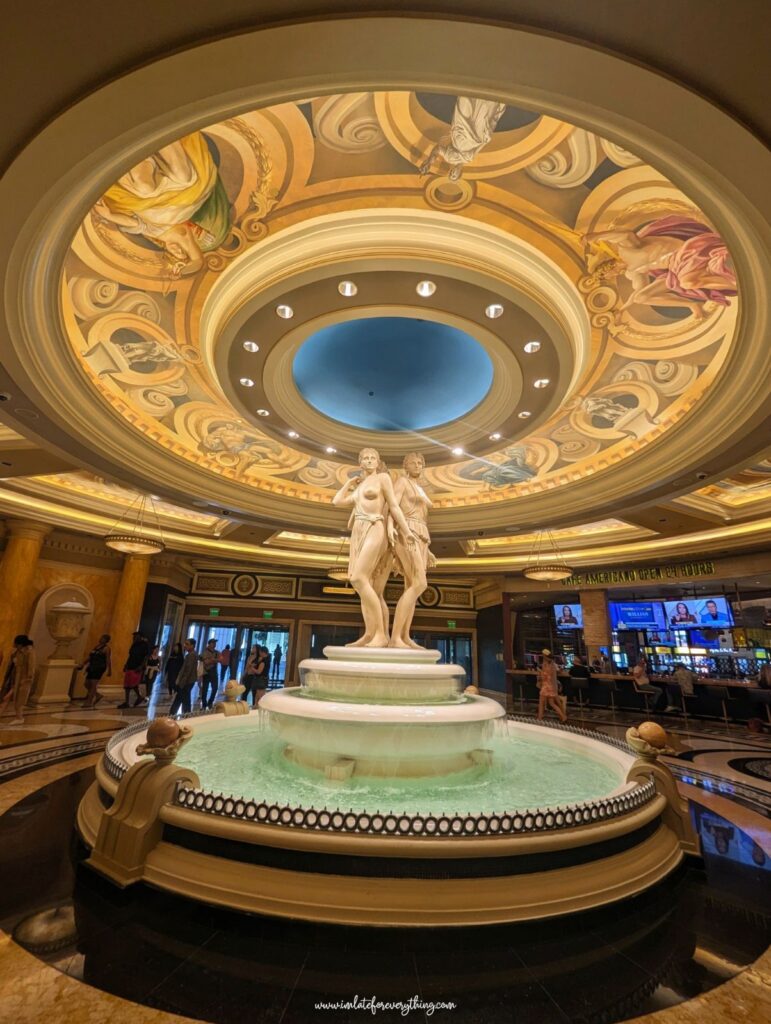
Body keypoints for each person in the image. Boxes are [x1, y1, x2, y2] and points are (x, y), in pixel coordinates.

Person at [332, 447, 418, 647]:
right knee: (366, 584)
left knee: (358, 578)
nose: (370, 461)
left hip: (374, 525)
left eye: (373, 458)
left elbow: (394, 506)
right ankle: (370, 634)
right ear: (360, 462)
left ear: (378, 462)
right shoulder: (360, 487)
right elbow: (337, 501)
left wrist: (406, 531)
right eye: (366, 458)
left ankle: (380, 634)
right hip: (358, 530)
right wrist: (348, 483)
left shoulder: (382, 479)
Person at [389, 452, 436, 649]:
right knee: (420, 583)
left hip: (421, 534)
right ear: (405, 466)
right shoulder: (401, 482)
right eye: (413, 463)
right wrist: (396, 528)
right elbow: (393, 506)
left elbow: (423, 517)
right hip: (407, 531)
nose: (417, 466)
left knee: (412, 586)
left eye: (420, 463)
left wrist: (429, 548)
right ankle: (394, 638)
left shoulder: (421, 489)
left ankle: (404, 636)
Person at [0, 635, 36, 725]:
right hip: (13, 679)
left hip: (22, 680)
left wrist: (27, 678)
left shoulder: (29, 652)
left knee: (17, 700)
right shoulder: (17, 652)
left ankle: (19, 717)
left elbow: (31, 667)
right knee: (5, 698)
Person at [118, 630, 150, 708]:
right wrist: (126, 664)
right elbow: (130, 656)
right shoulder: (134, 645)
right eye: (134, 636)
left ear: (140, 637)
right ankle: (128, 701)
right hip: (130, 666)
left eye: (136, 636)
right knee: (127, 685)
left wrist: (141, 666)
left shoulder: (145, 645)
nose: (134, 638)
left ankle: (136, 698)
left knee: (133, 684)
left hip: (137, 667)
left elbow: (146, 657)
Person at [80, 634, 112, 708]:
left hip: (99, 668)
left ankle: (89, 702)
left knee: (93, 684)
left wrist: (109, 670)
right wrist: (83, 663)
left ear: (106, 640)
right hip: (92, 667)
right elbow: (90, 657)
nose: (101, 639)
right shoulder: (96, 647)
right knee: (86, 684)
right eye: (101, 637)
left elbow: (108, 659)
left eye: (103, 638)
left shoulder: (106, 648)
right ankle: (97, 695)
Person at [169, 638, 199, 716]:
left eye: (187, 644)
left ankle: (183, 715)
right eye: (185, 644)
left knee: (184, 699)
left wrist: (181, 683)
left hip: (187, 681)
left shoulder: (191, 655)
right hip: (189, 681)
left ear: (192, 646)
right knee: (181, 698)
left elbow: (187, 671)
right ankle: (174, 713)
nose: (185, 646)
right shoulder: (191, 654)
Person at [537, 649, 567, 723]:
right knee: (552, 703)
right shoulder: (553, 665)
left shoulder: (545, 664)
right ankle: (563, 717)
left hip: (546, 686)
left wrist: (540, 672)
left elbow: (544, 677)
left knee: (541, 703)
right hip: (551, 686)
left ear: (544, 656)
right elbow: (553, 676)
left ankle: (539, 719)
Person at [199, 638, 219, 709]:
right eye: (213, 643)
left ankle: (210, 702)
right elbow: (205, 662)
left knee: (215, 688)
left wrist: (212, 660)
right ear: (209, 644)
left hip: (214, 673)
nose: (214, 644)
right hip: (207, 673)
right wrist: (213, 660)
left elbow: (222, 659)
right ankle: (204, 703)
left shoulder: (217, 652)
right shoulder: (205, 652)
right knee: (205, 689)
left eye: (215, 643)